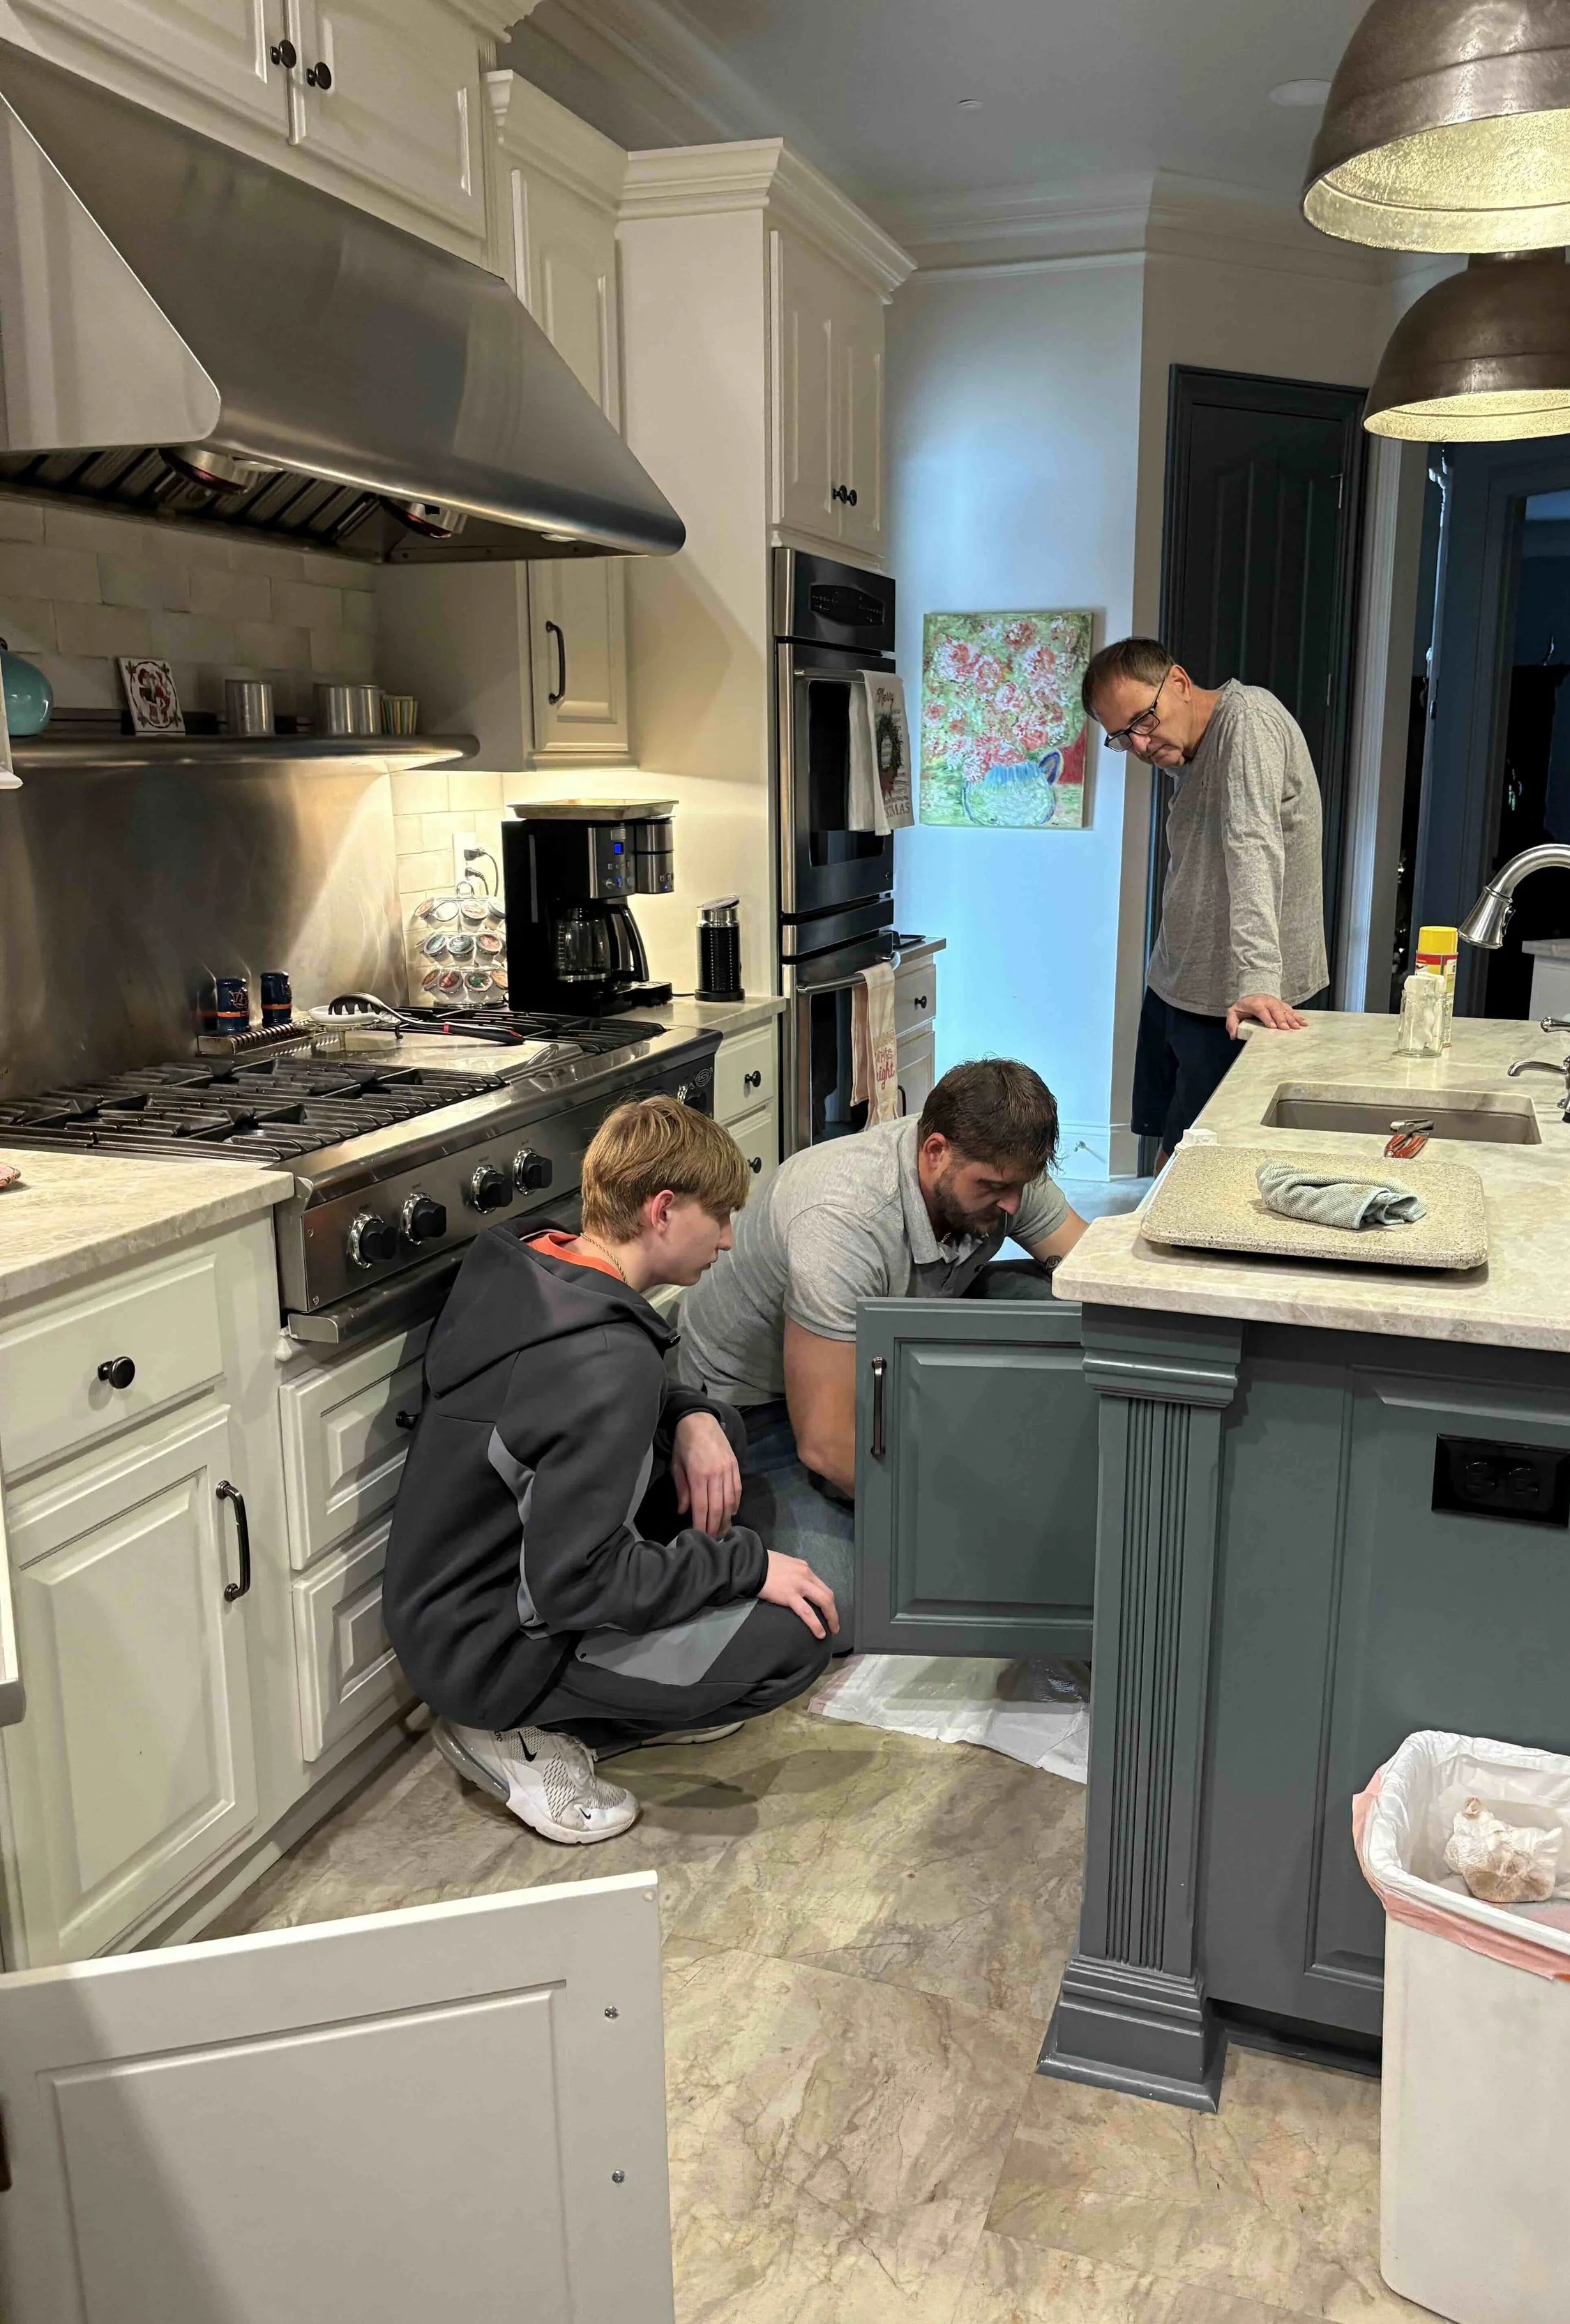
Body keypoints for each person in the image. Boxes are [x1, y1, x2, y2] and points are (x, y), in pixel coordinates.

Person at [382, 1097, 838, 1847]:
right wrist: (746, 1570)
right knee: (794, 1637)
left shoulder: (541, 1269)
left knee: (725, 1470)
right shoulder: (604, 1362)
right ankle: (515, 1734)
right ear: (662, 1210)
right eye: (718, 1215)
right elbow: (578, 1584)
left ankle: (617, 1694)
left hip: (452, 1605)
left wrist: (690, 1415)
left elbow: (581, 1413)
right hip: (494, 1651)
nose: (728, 1239)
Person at [676, 1058, 1087, 1643]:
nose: (1011, 1205)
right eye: (993, 1188)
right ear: (935, 1150)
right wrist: (965, 1512)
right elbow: (823, 1441)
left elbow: (1092, 1272)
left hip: (887, 1352)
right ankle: (733, 1544)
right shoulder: (842, 1219)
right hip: (761, 1410)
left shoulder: (1002, 1162)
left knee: (1060, 1304)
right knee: (839, 1606)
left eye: (1019, 1186)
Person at [1083, 638, 1328, 1155]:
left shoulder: (1248, 724)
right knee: (1173, 1154)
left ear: (1178, 681)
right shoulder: (1187, 748)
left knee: (1206, 1169)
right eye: (1122, 738)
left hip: (1238, 1002)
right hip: (1179, 985)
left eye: (1143, 721)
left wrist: (1260, 983)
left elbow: (1252, 846)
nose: (1141, 746)